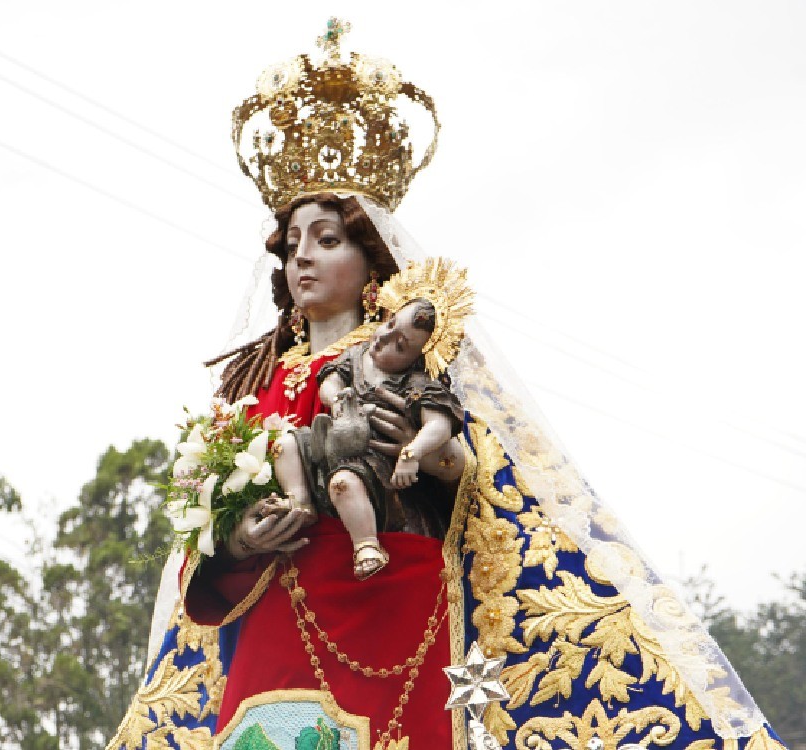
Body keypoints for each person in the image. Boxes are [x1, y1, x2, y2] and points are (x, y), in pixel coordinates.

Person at [107, 20, 788, 750]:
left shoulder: (405, 357)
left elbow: (477, 473)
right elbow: (204, 540)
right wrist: (238, 537)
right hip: (272, 623)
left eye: (327, 240)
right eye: (294, 244)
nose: (303, 258)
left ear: (372, 262)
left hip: (387, 608)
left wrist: (430, 455)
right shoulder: (255, 387)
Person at [272, 259, 473, 581]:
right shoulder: (357, 354)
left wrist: (412, 452)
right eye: (390, 325)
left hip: (372, 458)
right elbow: (330, 380)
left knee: (344, 483)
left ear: (419, 358)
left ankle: (366, 545)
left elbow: (439, 425)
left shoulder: (417, 384)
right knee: (285, 444)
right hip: (331, 436)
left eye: (400, 345)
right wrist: (336, 398)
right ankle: (299, 501)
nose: (384, 339)